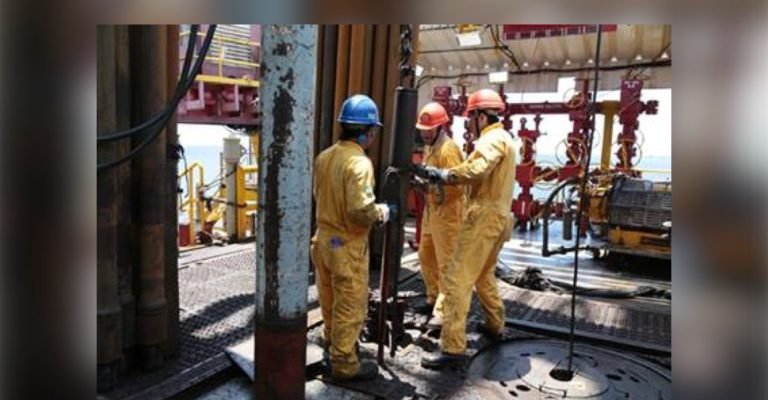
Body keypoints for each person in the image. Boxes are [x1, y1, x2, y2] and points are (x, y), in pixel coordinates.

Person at [418, 89, 518, 369]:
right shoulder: (506, 138)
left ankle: (452, 348)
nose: (469, 125)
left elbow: (477, 170)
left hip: (483, 216)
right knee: (483, 274)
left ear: (480, 116)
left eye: (470, 118)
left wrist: (445, 175)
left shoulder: (491, 139)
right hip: (500, 217)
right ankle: (495, 324)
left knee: (455, 279)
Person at [310, 94, 394, 381]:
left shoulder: (325, 157)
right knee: (350, 304)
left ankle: (333, 342)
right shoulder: (359, 163)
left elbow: (319, 195)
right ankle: (344, 363)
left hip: (324, 240)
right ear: (368, 132)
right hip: (346, 245)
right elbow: (360, 211)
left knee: (329, 297)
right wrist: (382, 213)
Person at [413, 102, 467, 324]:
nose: (425, 134)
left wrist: (431, 187)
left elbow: (457, 186)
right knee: (426, 255)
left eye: (429, 130)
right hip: (433, 211)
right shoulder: (430, 147)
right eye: (422, 130)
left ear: (440, 127)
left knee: (446, 262)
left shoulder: (448, 149)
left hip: (448, 214)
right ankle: (433, 296)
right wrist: (421, 183)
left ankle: (444, 311)